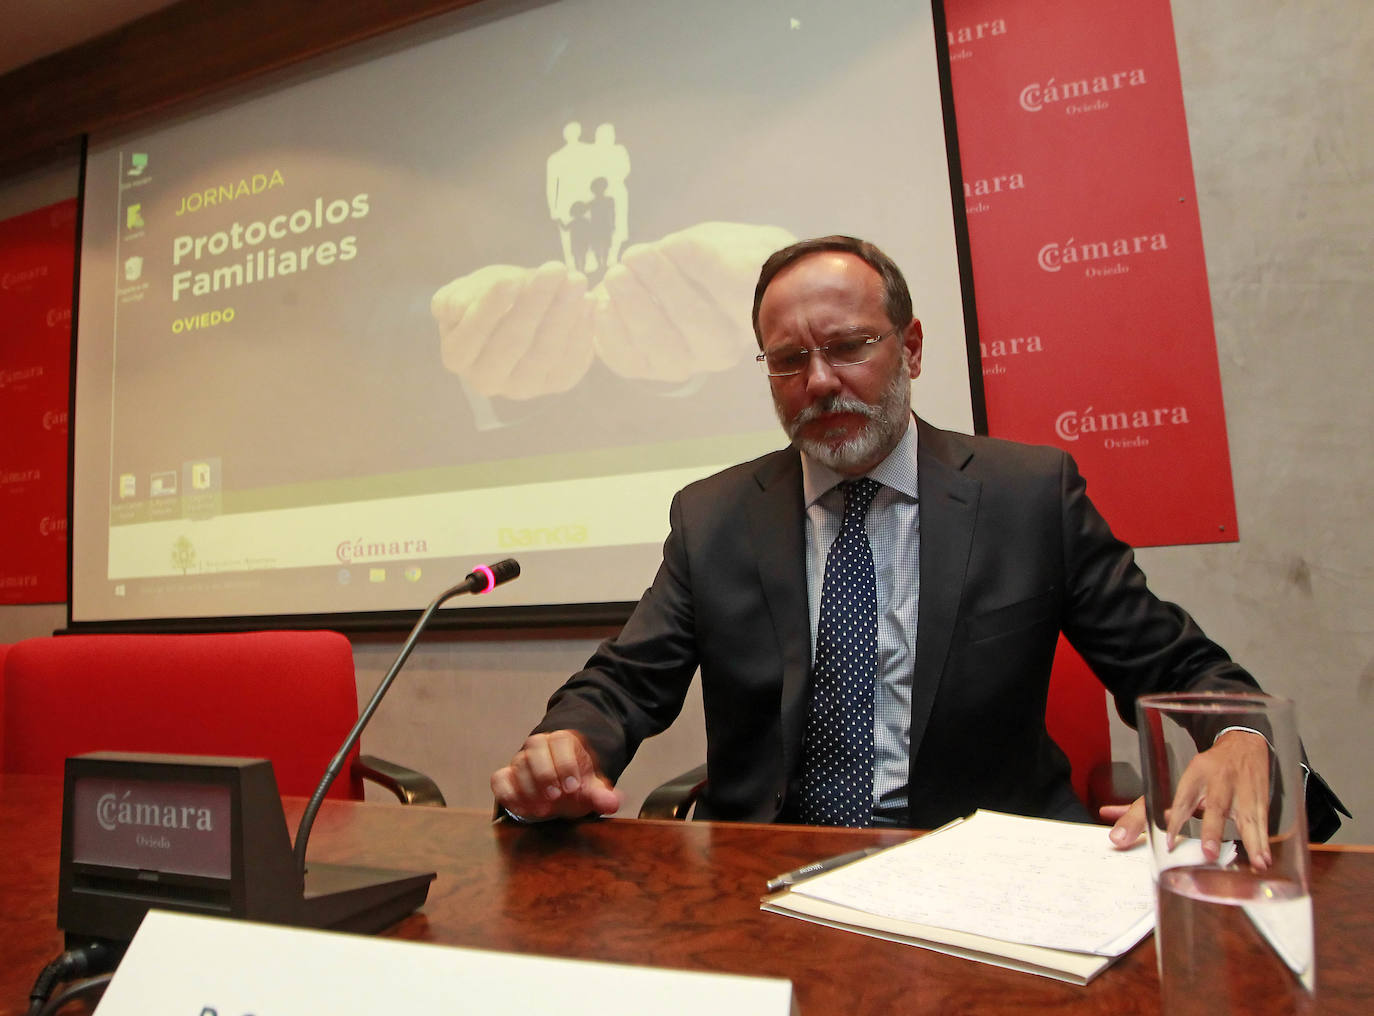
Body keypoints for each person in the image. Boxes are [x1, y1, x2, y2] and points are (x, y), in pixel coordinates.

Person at [491, 235, 1345, 861]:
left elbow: (1177, 665)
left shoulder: (1026, 495)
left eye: (849, 346)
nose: (820, 381)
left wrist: (1243, 738)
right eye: (789, 361)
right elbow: (623, 683)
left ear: (912, 347)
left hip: (984, 869)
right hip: (771, 875)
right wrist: (569, 747)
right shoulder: (714, 515)